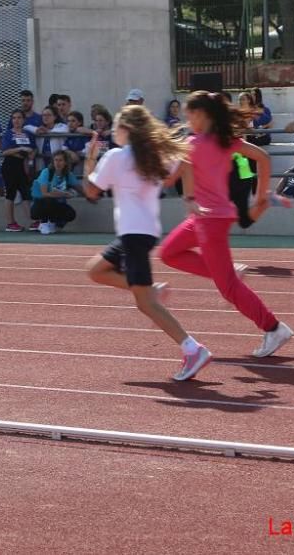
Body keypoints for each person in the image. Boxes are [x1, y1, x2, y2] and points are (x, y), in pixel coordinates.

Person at [159, 91, 294, 358]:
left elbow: (167, 179)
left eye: (189, 114)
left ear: (202, 115)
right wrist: (261, 194)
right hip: (204, 218)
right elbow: (263, 158)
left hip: (211, 221)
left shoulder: (194, 143)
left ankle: (273, 327)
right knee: (168, 252)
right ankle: (228, 271)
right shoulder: (224, 141)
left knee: (229, 288)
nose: (187, 119)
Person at [83, 106, 209, 381]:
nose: (114, 132)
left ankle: (193, 348)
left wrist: (89, 161)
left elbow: (91, 191)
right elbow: (185, 164)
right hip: (143, 232)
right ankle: (152, 290)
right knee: (95, 270)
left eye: (117, 127)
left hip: (134, 234)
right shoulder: (154, 156)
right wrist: (188, 198)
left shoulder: (116, 156)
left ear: (127, 130)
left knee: (145, 304)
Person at [0, 109, 37, 231]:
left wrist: (31, 154)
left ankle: (33, 221)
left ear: (23, 120)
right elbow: (5, 151)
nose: (16, 120)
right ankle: (11, 223)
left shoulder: (28, 134)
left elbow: (34, 148)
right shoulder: (8, 134)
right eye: (14, 118)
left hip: (24, 165)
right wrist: (19, 149)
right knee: (10, 193)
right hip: (11, 165)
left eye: (19, 118)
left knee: (26, 192)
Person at [30, 150, 82, 234]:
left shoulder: (68, 174)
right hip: (39, 206)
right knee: (48, 200)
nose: (58, 163)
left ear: (65, 162)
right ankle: (43, 223)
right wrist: (64, 194)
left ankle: (53, 223)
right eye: (56, 160)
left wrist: (89, 195)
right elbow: (44, 194)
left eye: (60, 160)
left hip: (56, 204)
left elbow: (80, 189)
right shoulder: (47, 172)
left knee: (71, 214)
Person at [30, 106, 68, 170]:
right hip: (43, 164)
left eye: (49, 115)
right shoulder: (40, 129)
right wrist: (36, 130)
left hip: (58, 164)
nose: (45, 117)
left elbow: (66, 129)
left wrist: (48, 131)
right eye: (44, 115)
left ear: (55, 117)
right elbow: (26, 127)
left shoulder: (60, 126)